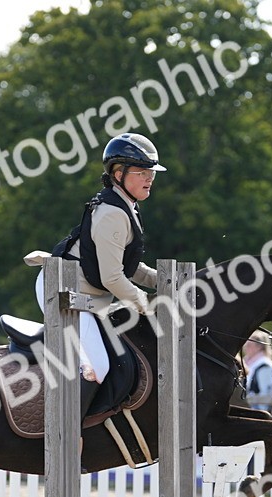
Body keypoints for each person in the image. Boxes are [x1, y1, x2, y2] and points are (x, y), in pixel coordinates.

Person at [24, 132, 163, 413]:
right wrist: (146, 305)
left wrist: (168, 282)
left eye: (152, 172)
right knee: (98, 367)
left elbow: (130, 269)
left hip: (84, 298)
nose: (149, 178)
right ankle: (71, 430)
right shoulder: (113, 213)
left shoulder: (125, 207)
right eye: (142, 172)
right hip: (65, 295)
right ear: (119, 173)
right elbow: (113, 278)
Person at [241, 332, 272, 411]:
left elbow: (265, 396)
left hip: (257, 413)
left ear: (259, 347)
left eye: (249, 345)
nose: (245, 347)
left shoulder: (264, 366)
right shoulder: (248, 363)